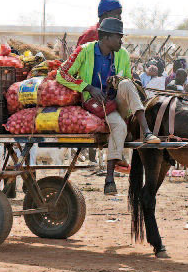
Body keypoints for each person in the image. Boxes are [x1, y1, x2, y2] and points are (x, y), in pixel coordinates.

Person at [56, 17, 160, 195]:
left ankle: (147, 132)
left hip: (118, 102)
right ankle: (109, 180)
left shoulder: (123, 54)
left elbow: (128, 81)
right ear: (106, 38)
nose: (121, 41)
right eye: (118, 37)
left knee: (127, 84)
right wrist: (88, 87)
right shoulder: (84, 51)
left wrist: (117, 82)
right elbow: (62, 74)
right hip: (96, 104)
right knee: (118, 126)